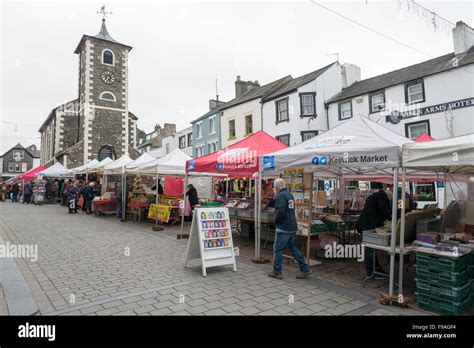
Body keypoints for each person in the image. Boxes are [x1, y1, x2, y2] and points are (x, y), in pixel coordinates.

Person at [268, 178, 311, 280]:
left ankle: (277, 271)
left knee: (278, 249)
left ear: (277, 186)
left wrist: (275, 220)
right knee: (292, 248)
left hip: (284, 227)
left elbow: (281, 211)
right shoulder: (289, 194)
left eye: (274, 186)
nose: (274, 188)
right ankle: (305, 268)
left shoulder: (280, 196)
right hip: (292, 225)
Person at [355, 189, 392, 277]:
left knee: (370, 248)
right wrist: (389, 218)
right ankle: (371, 271)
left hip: (366, 224)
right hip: (370, 225)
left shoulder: (374, 196)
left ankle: (375, 269)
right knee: (369, 249)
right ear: (388, 196)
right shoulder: (382, 197)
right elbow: (383, 208)